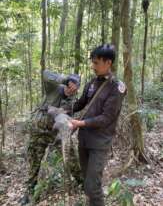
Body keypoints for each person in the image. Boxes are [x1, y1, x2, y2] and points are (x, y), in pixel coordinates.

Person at [70, 44, 127, 206]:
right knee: (87, 182)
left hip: (100, 142)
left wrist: (80, 123)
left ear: (108, 62)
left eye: (96, 63)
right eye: (92, 62)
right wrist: (66, 102)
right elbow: (80, 104)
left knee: (92, 185)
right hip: (84, 140)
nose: (92, 66)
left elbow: (107, 118)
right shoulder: (92, 83)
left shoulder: (117, 87)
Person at [20, 69, 80, 205]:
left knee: (71, 157)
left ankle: (82, 183)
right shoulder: (55, 88)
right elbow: (46, 74)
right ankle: (29, 193)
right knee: (34, 163)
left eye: (75, 88)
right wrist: (66, 80)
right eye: (71, 86)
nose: (72, 90)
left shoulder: (72, 102)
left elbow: (68, 120)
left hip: (56, 135)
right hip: (38, 132)